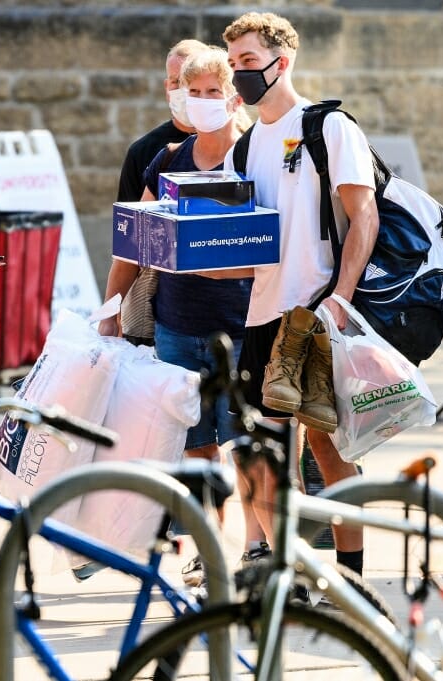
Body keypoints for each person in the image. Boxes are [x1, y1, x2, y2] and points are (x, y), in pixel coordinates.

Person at [95, 47, 269, 588]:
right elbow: (133, 241)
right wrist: (112, 308)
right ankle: (207, 546)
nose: (201, 102)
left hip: (241, 324)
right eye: (193, 93)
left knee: (245, 443)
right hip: (177, 323)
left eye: (212, 92)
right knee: (195, 445)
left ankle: (259, 546)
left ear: (234, 97)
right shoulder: (167, 158)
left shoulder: (254, 158)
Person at [222, 12, 379, 577]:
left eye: (246, 62)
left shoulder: (326, 127)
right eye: (233, 64)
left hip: (315, 313)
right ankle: (287, 572)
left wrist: (339, 297)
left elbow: (364, 215)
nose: (239, 75)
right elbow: (242, 247)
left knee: (326, 451)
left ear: (280, 61)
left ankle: (352, 577)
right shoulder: (242, 149)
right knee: (259, 455)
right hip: (262, 315)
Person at [99, 39, 202, 345]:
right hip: (154, 301)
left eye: (191, 82)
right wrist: (112, 311)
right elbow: (128, 241)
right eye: (175, 82)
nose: (183, 91)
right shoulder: (146, 151)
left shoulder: (240, 144)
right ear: (165, 87)